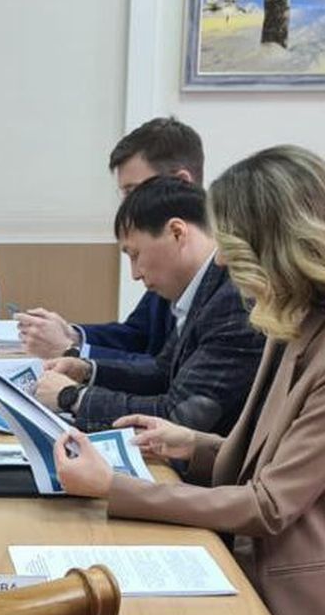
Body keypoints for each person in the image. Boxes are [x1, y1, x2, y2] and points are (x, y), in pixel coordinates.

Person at [53, 145, 325, 615]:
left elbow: (269, 505)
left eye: (231, 244)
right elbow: (265, 459)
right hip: (245, 563)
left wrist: (114, 487)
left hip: (295, 607)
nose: (220, 262)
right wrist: (191, 444)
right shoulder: (289, 321)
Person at [34, 176, 264, 436]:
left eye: (135, 255)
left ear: (177, 233)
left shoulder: (234, 300)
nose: (134, 274)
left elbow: (178, 417)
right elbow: (162, 372)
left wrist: (73, 397)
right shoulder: (205, 289)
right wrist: (87, 370)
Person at [16, 117, 204, 362]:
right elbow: (138, 335)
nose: (126, 206)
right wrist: (73, 336)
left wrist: (72, 352)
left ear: (181, 183)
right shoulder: (165, 256)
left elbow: (167, 372)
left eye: (134, 191)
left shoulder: (224, 273)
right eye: (124, 194)